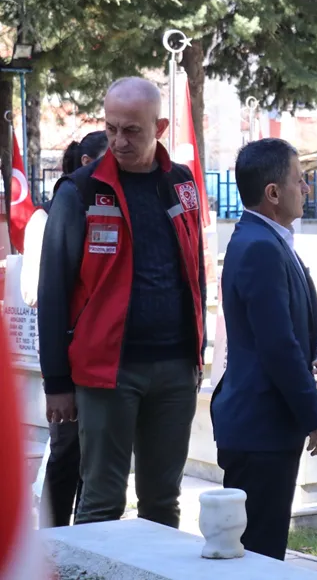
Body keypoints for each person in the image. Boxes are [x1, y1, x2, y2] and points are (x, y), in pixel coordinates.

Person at [38, 78, 207, 529]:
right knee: (101, 503)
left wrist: (197, 352)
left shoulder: (182, 183)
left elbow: (195, 272)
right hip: (106, 372)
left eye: (131, 130)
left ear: (160, 127)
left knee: (163, 503)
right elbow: (53, 291)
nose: (118, 141)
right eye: (111, 128)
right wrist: (57, 381)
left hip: (175, 368)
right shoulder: (79, 191)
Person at [211, 138, 317, 560]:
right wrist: (316, 415)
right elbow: (277, 346)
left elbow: (303, 321)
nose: (306, 188)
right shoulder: (260, 247)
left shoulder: (271, 239)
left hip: (266, 427)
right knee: (258, 555)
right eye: (299, 180)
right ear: (272, 193)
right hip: (260, 429)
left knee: (264, 552)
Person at [26, 131, 108, 527]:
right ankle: (53, 539)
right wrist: (56, 377)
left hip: (102, 360)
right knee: (65, 454)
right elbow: (39, 290)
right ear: (87, 161)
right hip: (67, 353)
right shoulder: (53, 213)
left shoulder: (106, 208)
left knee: (96, 464)